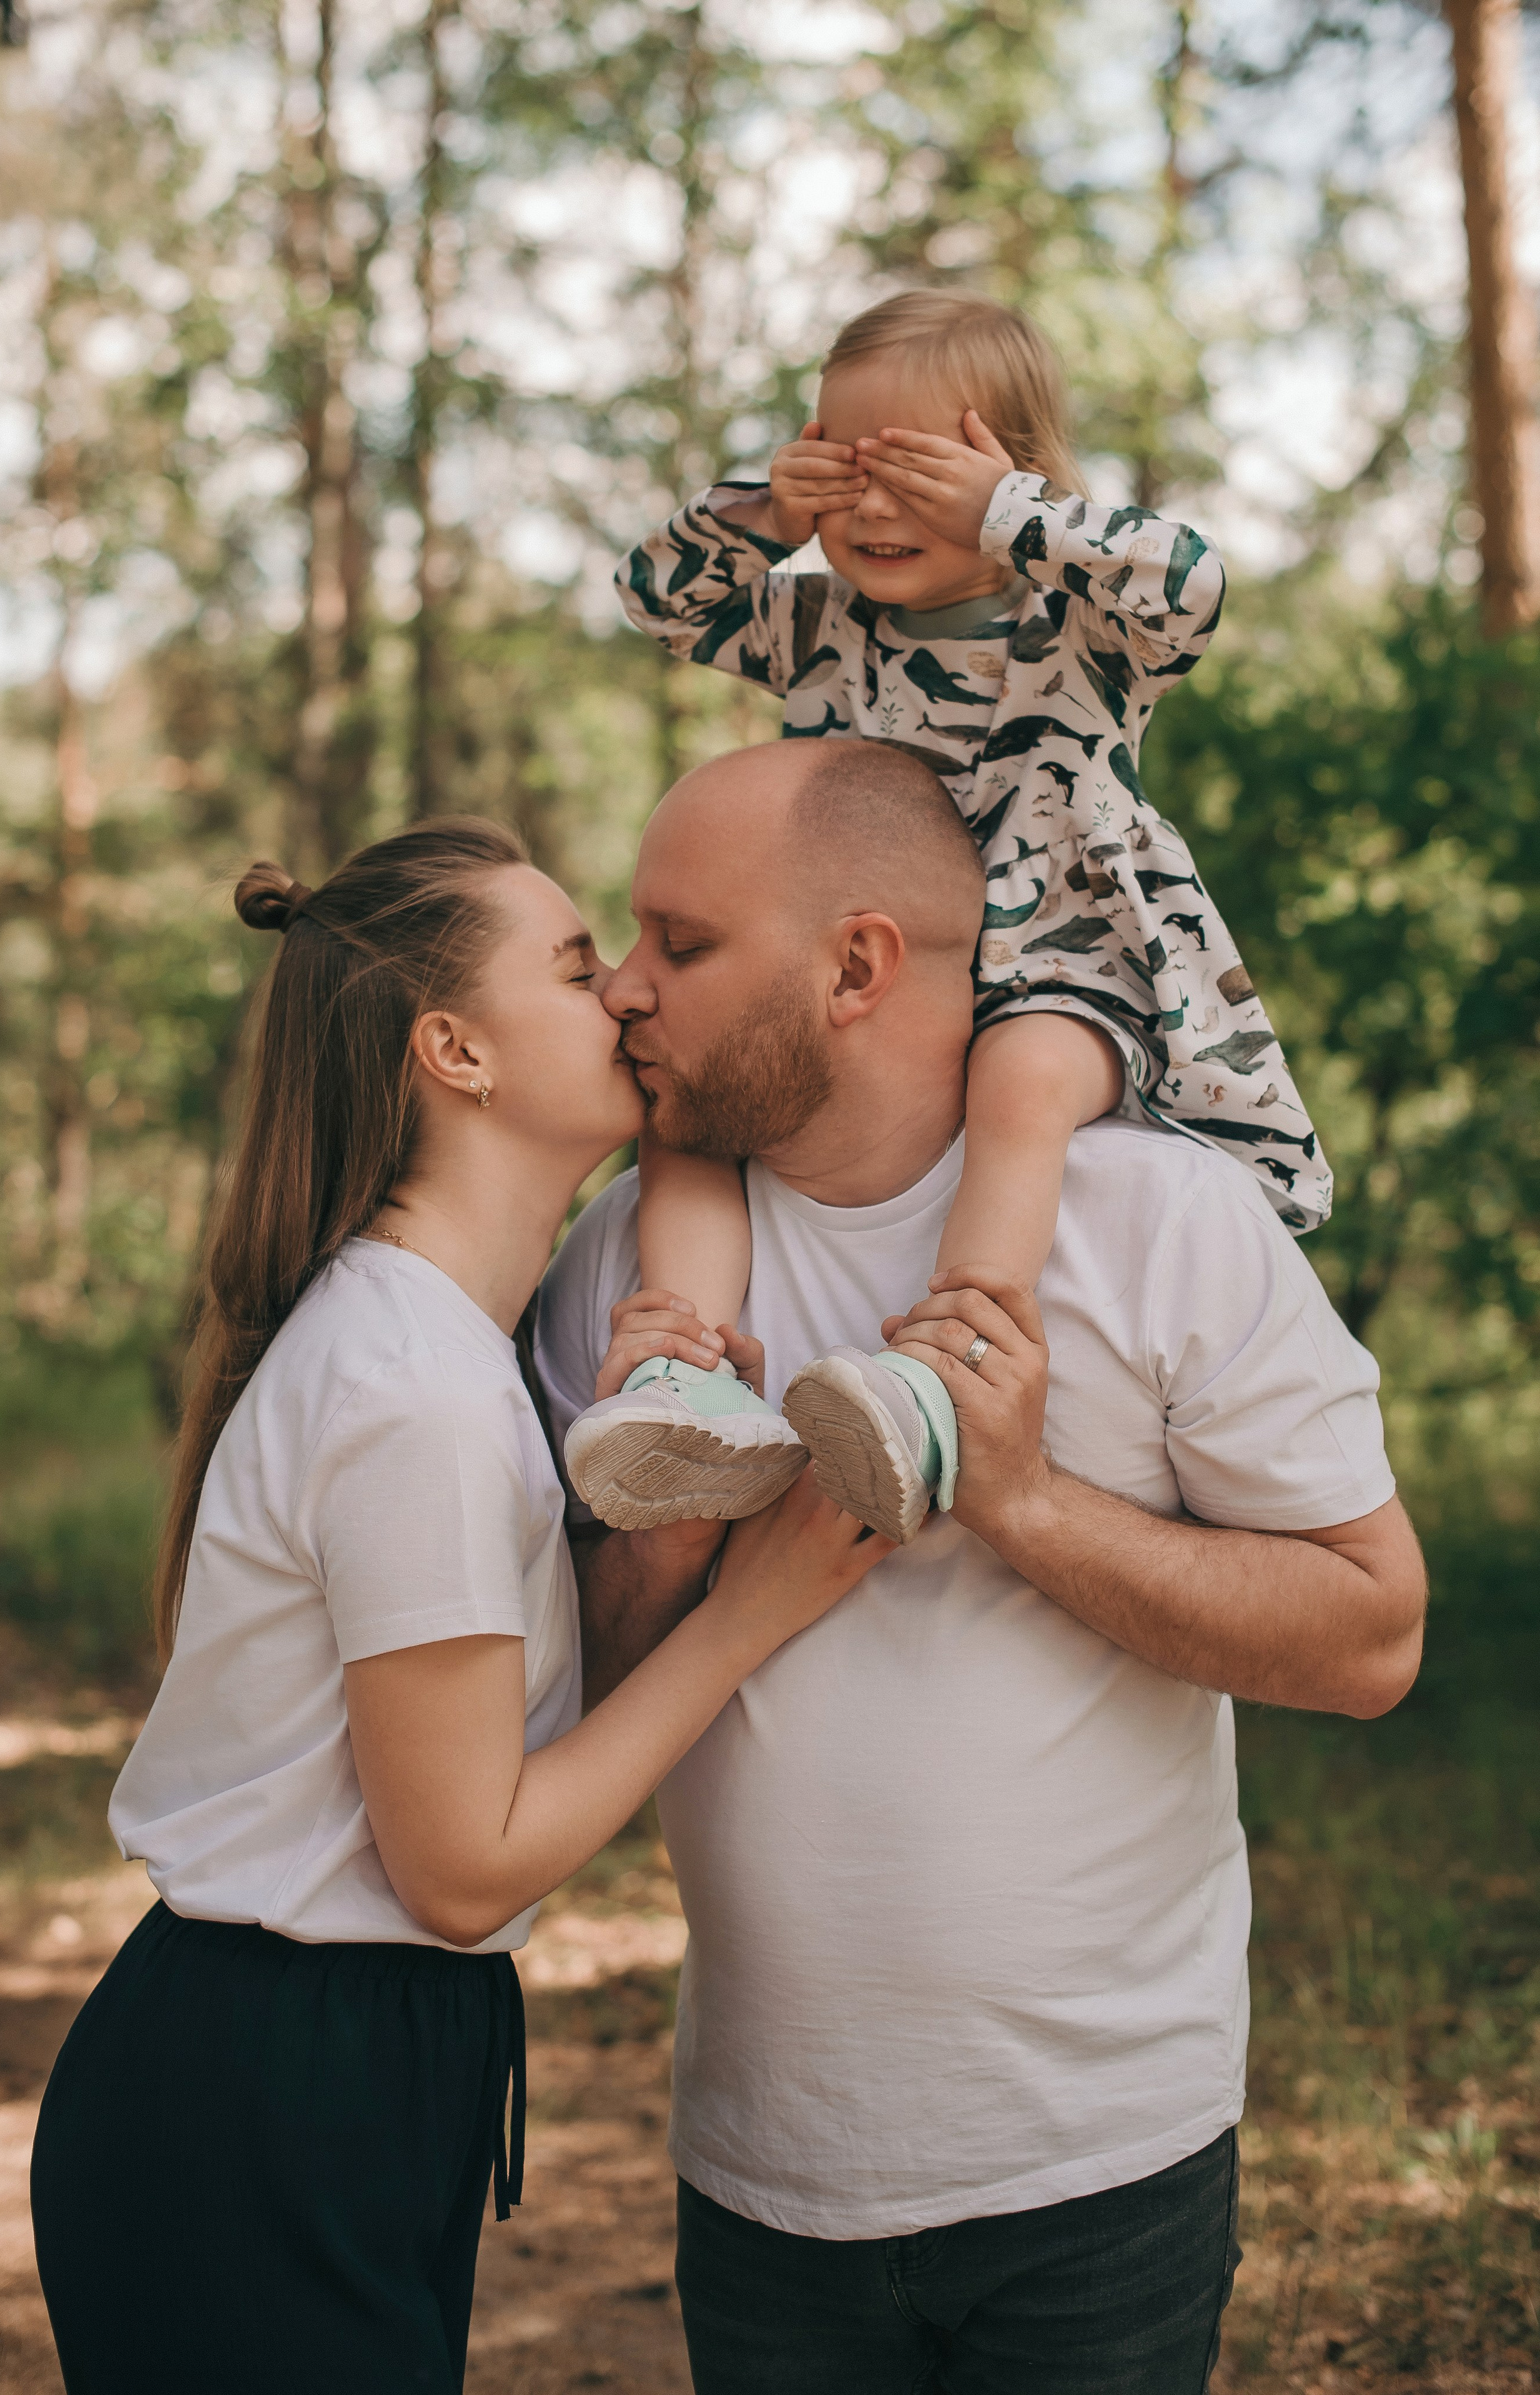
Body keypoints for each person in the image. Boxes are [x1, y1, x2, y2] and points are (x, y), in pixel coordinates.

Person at [536, 741, 1427, 2394]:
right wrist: (658, 1531)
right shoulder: (624, 1272)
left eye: (684, 942)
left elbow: (1372, 1637)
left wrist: (1020, 1498)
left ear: (859, 963)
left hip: (1102, 2165)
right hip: (759, 2169)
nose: (627, 992)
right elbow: (554, 1717)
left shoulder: (1160, 1222)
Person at [29, 817, 890, 2395]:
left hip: (328, 2077)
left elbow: (507, 1754)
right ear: (454, 1051)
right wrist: (752, 1612)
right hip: (257, 2107)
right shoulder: (410, 1387)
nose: (628, 994)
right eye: (578, 966)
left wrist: (662, 1533)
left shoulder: (453, 1350)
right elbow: (465, 1868)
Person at [563, 288, 1331, 1546]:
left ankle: (942, 1374)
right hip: (858, 997)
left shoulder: (1075, 623)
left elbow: (1191, 586)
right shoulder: (818, 627)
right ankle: (688, 1376)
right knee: (696, 1111)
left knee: (1021, 1086)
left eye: (912, 474)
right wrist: (765, 513)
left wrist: (1006, 520)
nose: (870, 509)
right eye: (842, 472)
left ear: (1010, 473)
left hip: (1059, 963)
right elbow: (658, 597)